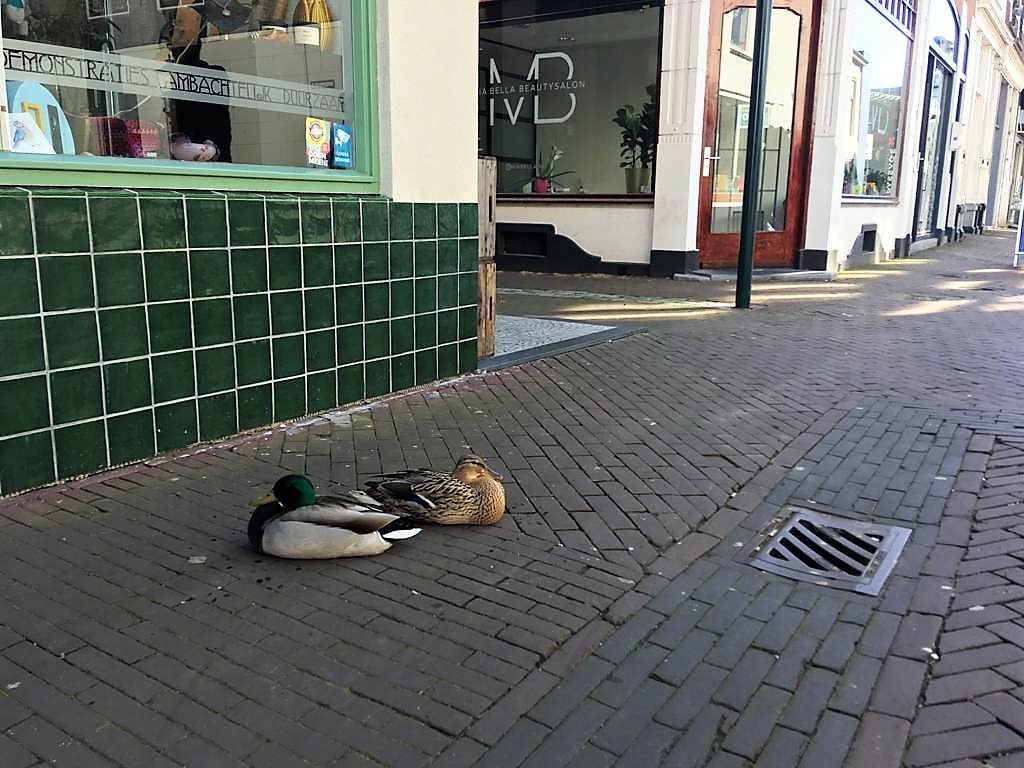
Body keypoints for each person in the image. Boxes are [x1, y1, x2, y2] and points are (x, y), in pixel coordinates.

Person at [164, 4, 233, 162]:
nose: (180, 39)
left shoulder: (212, 75)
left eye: (183, 33)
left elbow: (220, 129)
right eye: (178, 31)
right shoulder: (169, 76)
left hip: (211, 160)